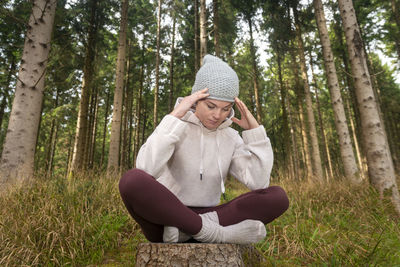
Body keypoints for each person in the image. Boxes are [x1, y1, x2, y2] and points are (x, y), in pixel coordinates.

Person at [119, 54, 289, 244]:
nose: (218, 115)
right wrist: (175, 117)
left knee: (278, 198)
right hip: (166, 220)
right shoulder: (176, 126)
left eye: (226, 109)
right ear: (195, 99)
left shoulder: (231, 137)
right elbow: (145, 168)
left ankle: (193, 229)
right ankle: (216, 234)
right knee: (131, 180)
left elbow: (258, 183)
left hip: (210, 217)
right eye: (211, 106)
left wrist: (255, 133)